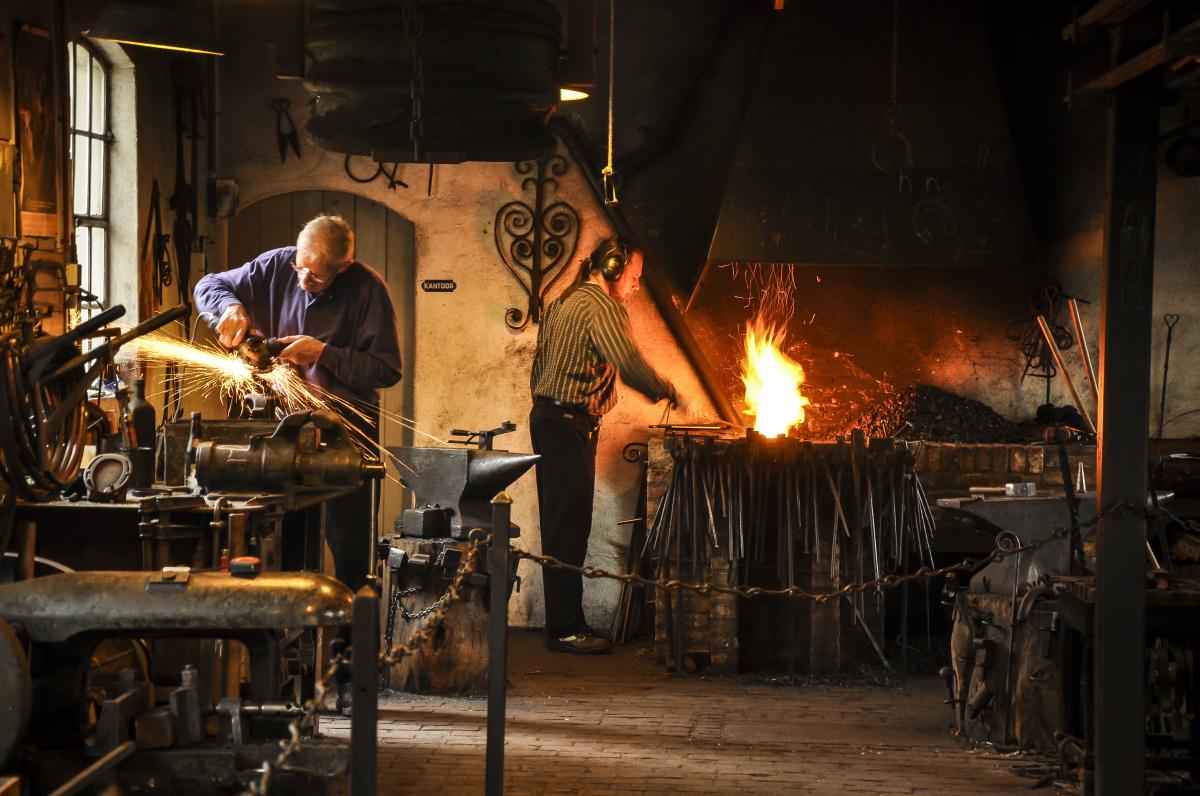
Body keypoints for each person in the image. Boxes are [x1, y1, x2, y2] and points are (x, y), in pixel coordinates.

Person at [194, 213, 402, 713]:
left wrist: (324, 353)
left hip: (344, 439)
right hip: (278, 435)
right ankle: (285, 682)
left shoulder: (368, 289)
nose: (304, 281)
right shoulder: (276, 266)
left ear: (343, 265)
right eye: (302, 270)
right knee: (280, 550)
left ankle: (354, 678)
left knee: (349, 556)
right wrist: (230, 309)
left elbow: (387, 369)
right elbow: (209, 284)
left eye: (318, 275)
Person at [530, 235, 693, 655]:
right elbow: (629, 362)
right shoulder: (602, 306)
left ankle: (562, 625)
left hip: (549, 419)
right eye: (634, 276)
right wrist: (670, 391)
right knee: (568, 529)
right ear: (612, 267)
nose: (637, 285)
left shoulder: (562, 301)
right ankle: (565, 630)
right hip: (569, 424)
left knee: (558, 527)